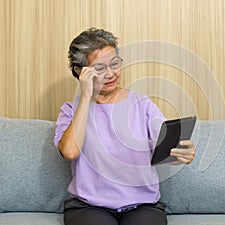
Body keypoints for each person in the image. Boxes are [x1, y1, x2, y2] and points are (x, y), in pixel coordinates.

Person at [54, 27, 196, 225]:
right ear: (80, 72)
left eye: (114, 64)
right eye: (100, 68)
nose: (111, 74)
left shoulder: (143, 104)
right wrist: (86, 96)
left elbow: (164, 149)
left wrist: (182, 154)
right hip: (89, 207)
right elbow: (70, 152)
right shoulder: (71, 110)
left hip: (142, 204)